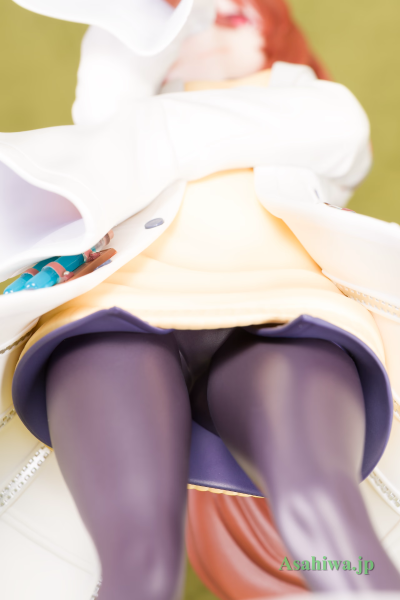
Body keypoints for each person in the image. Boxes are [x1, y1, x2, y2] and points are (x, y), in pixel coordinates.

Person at [3, 1, 400, 599]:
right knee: (137, 560)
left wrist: (118, 137)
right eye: (194, 15)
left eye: (236, 15)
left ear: (275, 34)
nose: (211, 18)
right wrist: (144, 28)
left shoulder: (322, 106)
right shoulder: (124, 116)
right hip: (118, 313)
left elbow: (137, 141)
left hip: (283, 314)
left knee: (326, 522)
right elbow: (103, 106)